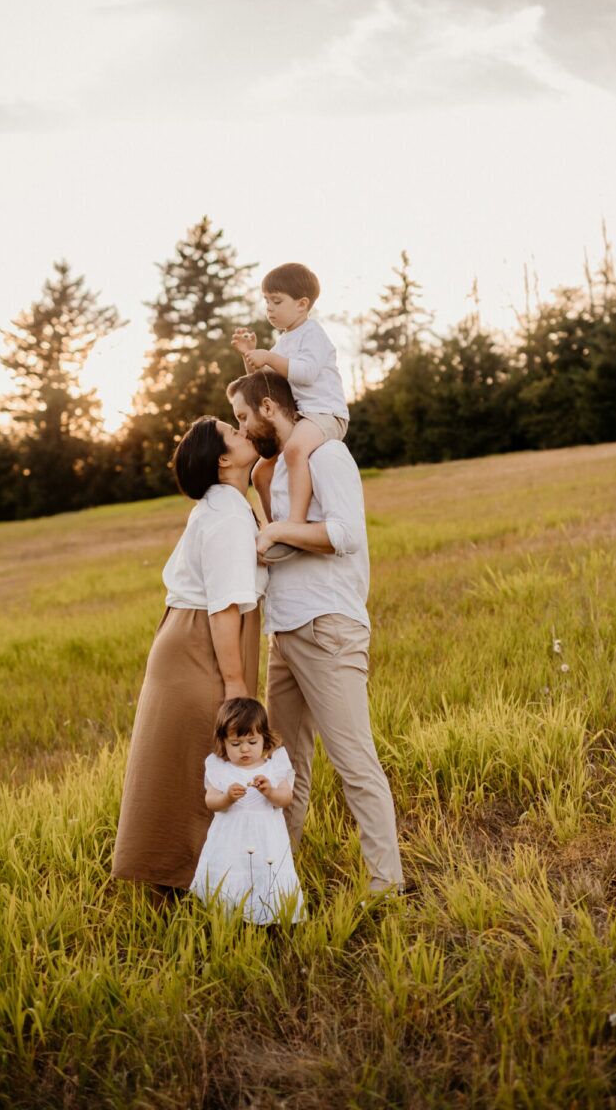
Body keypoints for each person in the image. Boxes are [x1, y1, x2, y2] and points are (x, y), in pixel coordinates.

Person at [226, 370, 404, 897]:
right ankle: (276, 881)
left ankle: (386, 883)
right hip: (284, 632)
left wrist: (278, 529)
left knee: (354, 761)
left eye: (243, 417)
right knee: (284, 765)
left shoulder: (327, 456)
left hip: (328, 627)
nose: (242, 428)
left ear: (268, 407)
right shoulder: (271, 470)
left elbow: (346, 534)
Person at [112, 416, 267, 904]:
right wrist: (237, 687)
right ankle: (181, 883)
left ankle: (189, 882)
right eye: (233, 432)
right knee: (196, 763)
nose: (244, 431)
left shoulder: (228, 505)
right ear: (222, 459)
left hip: (190, 638)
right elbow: (223, 608)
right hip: (201, 643)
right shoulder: (225, 515)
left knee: (188, 762)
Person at [230, 263, 349, 540]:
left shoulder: (312, 334)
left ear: (302, 304)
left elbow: (306, 373)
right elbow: (264, 383)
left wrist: (269, 357)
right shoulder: (284, 342)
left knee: (295, 451)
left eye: (277, 301)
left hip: (325, 414)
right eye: (266, 301)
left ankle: (295, 524)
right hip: (301, 419)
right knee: (260, 472)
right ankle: (276, 527)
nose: (269, 309)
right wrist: (250, 355)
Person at [190, 697, 305, 924]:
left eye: (252, 742)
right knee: (231, 872)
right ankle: (230, 919)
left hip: (266, 841)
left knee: (265, 875)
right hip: (230, 840)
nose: (244, 749)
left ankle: (270, 919)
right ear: (223, 742)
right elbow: (210, 801)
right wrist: (227, 798)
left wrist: (270, 792)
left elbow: (286, 798)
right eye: (235, 744)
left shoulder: (274, 767)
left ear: (264, 738)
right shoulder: (221, 769)